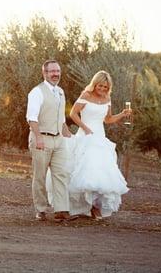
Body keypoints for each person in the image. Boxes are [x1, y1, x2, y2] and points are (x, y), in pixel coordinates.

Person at [67, 70, 131, 220]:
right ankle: (81, 206)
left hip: (100, 137)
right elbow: (73, 114)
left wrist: (122, 114)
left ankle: (95, 207)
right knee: (82, 169)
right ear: (94, 84)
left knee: (100, 171)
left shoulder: (107, 98)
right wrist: (85, 128)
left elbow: (107, 119)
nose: (102, 89)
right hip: (86, 135)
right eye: (100, 86)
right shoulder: (86, 95)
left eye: (105, 87)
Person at [26, 59, 74, 222]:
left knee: (61, 174)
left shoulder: (60, 92)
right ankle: (40, 209)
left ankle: (61, 210)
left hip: (58, 139)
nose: (55, 74)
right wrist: (38, 138)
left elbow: (61, 118)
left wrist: (68, 134)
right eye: (52, 71)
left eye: (57, 71)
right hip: (42, 138)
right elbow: (31, 118)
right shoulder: (36, 92)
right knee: (39, 175)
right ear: (44, 73)